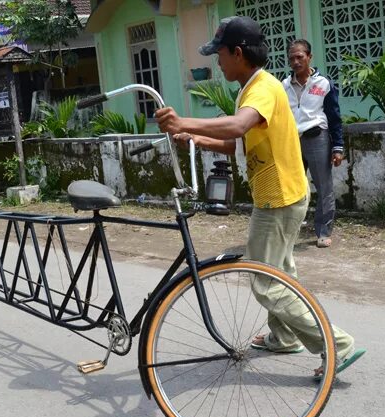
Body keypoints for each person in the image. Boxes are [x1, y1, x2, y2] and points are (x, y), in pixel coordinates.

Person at [154, 16, 364, 377]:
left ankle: (336, 344)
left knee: (265, 282)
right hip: (279, 194)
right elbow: (237, 141)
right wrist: (197, 139)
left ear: (237, 53)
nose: (216, 62)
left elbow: (237, 125)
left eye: (219, 54)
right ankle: (283, 337)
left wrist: (183, 122)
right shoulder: (251, 87)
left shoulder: (262, 88)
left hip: (279, 199)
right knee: (279, 272)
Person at [282, 39, 344, 248]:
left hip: (317, 138)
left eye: (300, 57)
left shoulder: (323, 84)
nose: (296, 61)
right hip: (292, 141)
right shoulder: (284, 85)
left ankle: (324, 231)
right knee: (293, 188)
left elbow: (334, 117)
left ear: (309, 57)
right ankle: (290, 232)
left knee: (323, 186)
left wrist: (338, 147)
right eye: (292, 58)